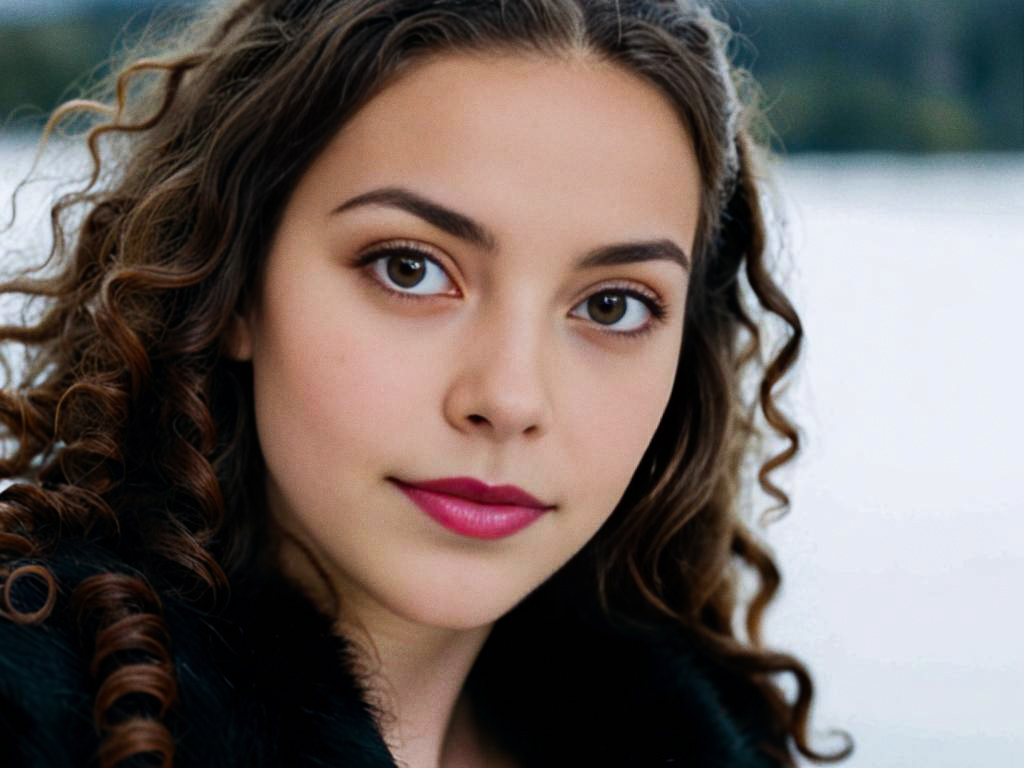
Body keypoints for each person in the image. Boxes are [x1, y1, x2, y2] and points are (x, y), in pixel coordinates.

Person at [0, 1, 853, 766]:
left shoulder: (721, 738)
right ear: (231, 282)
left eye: (613, 305)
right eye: (410, 269)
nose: (510, 399)